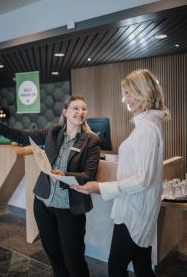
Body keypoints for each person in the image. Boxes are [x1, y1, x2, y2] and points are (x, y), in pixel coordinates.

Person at [0, 95, 100, 277]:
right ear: (65, 112)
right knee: (54, 256)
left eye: (84, 109)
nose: (80, 112)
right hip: (43, 204)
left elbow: (89, 175)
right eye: (75, 108)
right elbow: (23, 137)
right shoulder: (53, 132)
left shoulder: (91, 140)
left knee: (74, 259)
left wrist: (65, 175)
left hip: (69, 208)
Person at [71, 69, 170, 277]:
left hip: (134, 213)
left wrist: (100, 186)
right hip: (138, 209)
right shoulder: (147, 125)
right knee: (142, 266)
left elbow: (143, 179)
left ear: (143, 92)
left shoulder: (147, 130)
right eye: (124, 94)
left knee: (116, 267)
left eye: (129, 93)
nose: (125, 99)